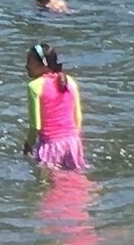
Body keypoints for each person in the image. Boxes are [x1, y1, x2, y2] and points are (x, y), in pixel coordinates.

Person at [25, 46, 88, 176]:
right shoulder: (70, 82)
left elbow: (36, 126)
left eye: (29, 62)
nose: (26, 66)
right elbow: (78, 118)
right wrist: (74, 140)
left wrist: (28, 144)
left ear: (43, 65)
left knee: (46, 183)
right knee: (75, 176)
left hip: (51, 145)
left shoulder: (34, 87)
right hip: (73, 142)